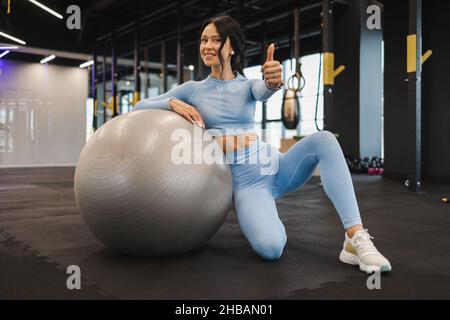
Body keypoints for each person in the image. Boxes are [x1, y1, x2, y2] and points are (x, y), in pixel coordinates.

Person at [134, 15, 391, 273]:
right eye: (204, 40)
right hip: (248, 186)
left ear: (231, 47)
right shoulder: (192, 90)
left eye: (216, 40)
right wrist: (171, 103)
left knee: (324, 139)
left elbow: (264, 89)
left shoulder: (247, 86)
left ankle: (354, 237)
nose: (207, 46)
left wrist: (273, 80)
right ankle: (270, 217)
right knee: (271, 248)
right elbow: (140, 106)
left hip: (278, 166)